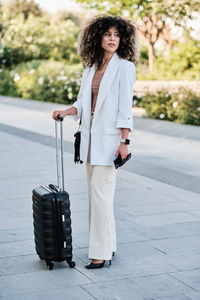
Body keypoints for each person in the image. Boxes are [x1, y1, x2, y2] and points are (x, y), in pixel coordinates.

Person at [52, 15, 138, 269]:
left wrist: (125, 141)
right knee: (98, 196)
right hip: (89, 142)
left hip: (110, 142)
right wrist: (67, 112)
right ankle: (108, 245)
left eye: (116, 35)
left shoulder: (124, 67)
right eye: (107, 34)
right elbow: (82, 103)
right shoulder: (91, 67)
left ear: (122, 39)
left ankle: (100, 253)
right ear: (98, 37)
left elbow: (125, 108)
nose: (112, 39)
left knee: (100, 197)